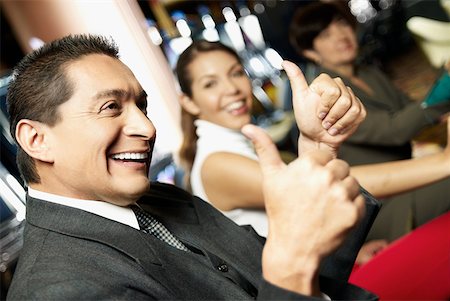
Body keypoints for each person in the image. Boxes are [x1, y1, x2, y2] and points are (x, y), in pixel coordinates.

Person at [6, 34, 377, 300]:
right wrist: (289, 268)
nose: (147, 128)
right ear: (37, 140)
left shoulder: (165, 200)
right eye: (111, 108)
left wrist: (318, 149)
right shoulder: (55, 289)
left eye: (142, 106)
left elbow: (304, 274)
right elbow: (289, 274)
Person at [176, 40, 450, 263]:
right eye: (210, 84)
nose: (232, 89)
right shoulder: (216, 162)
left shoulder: (231, 146)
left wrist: (346, 259)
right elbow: (326, 187)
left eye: (236, 73)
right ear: (188, 102)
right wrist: (443, 162)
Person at [288, 1, 450, 241]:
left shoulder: (367, 73)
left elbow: (412, 109)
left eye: (342, 25)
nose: (341, 36)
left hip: (410, 179)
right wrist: (445, 86)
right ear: (311, 53)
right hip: (379, 204)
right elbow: (395, 129)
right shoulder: (325, 95)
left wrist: (443, 77)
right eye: (326, 35)